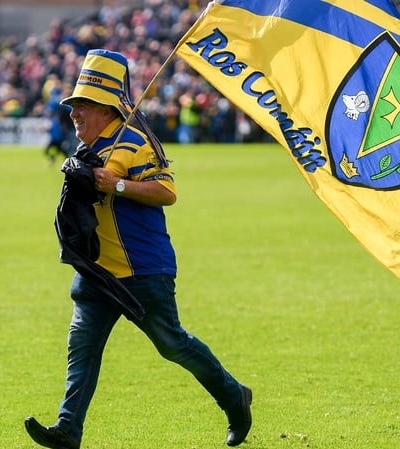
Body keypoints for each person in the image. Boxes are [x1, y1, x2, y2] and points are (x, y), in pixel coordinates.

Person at [24, 49, 253, 449]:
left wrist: (116, 184)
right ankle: (67, 430)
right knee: (82, 349)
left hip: (143, 270)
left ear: (107, 106)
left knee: (173, 345)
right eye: (73, 106)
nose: (74, 113)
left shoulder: (135, 141)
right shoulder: (87, 148)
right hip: (97, 273)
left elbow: (167, 193)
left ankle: (235, 398)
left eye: (83, 106)